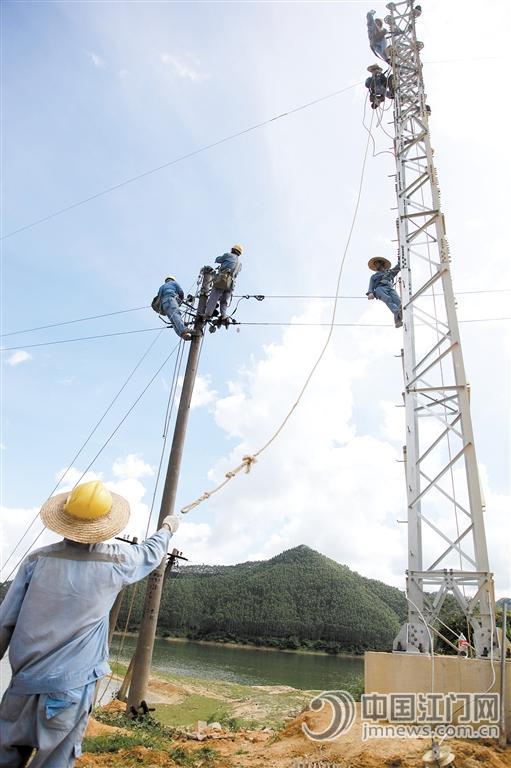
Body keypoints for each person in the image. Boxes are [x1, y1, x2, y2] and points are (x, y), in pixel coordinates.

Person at [0, 480, 180, 767]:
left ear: (66, 517)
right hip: (69, 690)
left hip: (22, 685)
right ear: (105, 523)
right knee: (55, 761)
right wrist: (167, 529)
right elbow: (150, 552)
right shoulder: (117, 563)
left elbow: (4, 623)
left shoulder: (36, 560)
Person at [204, 244, 243, 326]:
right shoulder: (240, 264)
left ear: (232, 250)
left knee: (214, 297)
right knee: (224, 301)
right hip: (231, 284)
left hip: (223, 279)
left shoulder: (228, 255)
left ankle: (207, 315)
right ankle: (223, 316)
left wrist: (222, 260)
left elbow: (218, 259)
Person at [366, 256, 402, 328]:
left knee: (398, 302)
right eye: (375, 264)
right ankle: (397, 313)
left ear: (381, 263)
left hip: (390, 288)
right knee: (387, 299)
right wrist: (370, 293)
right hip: (380, 288)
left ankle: (398, 320)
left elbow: (398, 267)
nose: (376, 265)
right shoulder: (374, 276)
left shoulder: (390, 272)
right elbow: (371, 286)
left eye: (377, 263)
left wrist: (400, 259)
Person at [156, 276, 191, 340]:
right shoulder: (174, 283)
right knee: (176, 314)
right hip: (171, 299)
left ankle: (183, 334)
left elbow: (158, 297)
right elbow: (181, 292)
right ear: (172, 280)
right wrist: (180, 302)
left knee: (173, 320)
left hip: (164, 304)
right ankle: (184, 330)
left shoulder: (161, 287)